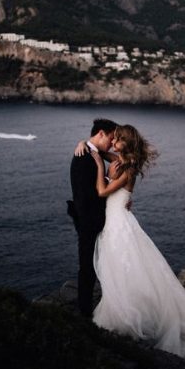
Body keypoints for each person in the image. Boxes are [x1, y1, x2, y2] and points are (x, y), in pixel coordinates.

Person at [77, 124, 185, 369]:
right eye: (113, 139)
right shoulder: (122, 162)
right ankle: (125, 310)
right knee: (120, 270)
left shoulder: (126, 169)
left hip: (119, 224)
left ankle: (132, 317)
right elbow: (98, 151)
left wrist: (99, 167)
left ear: (126, 144)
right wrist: (84, 145)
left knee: (124, 269)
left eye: (117, 140)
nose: (113, 143)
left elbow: (101, 190)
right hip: (117, 220)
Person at [68, 118, 118, 317]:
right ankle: (85, 313)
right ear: (101, 134)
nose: (113, 144)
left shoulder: (90, 152)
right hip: (89, 221)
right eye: (111, 138)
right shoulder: (82, 157)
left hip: (98, 219)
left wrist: (86, 143)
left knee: (101, 265)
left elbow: (108, 155)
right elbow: (85, 195)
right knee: (87, 267)